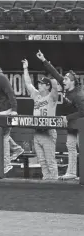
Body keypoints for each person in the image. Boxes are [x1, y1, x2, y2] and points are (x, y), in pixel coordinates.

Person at [37, 50, 84, 180]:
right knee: (70, 146)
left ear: (73, 82)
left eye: (67, 79)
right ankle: (72, 173)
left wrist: (66, 118)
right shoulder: (65, 87)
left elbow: (83, 112)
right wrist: (43, 60)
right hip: (72, 124)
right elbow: (54, 73)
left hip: (81, 124)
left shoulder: (79, 95)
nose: (63, 81)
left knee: (82, 147)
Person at [22, 59, 59, 180]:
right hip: (37, 132)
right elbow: (28, 83)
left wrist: (47, 66)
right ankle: (46, 182)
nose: (39, 85)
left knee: (50, 160)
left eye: (42, 84)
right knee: (42, 161)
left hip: (48, 132)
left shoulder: (52, 96)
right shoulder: (36, 95)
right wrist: (25, 68)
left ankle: (55, 183)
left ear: (47, 86)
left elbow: (55, 84)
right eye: (39, 83)